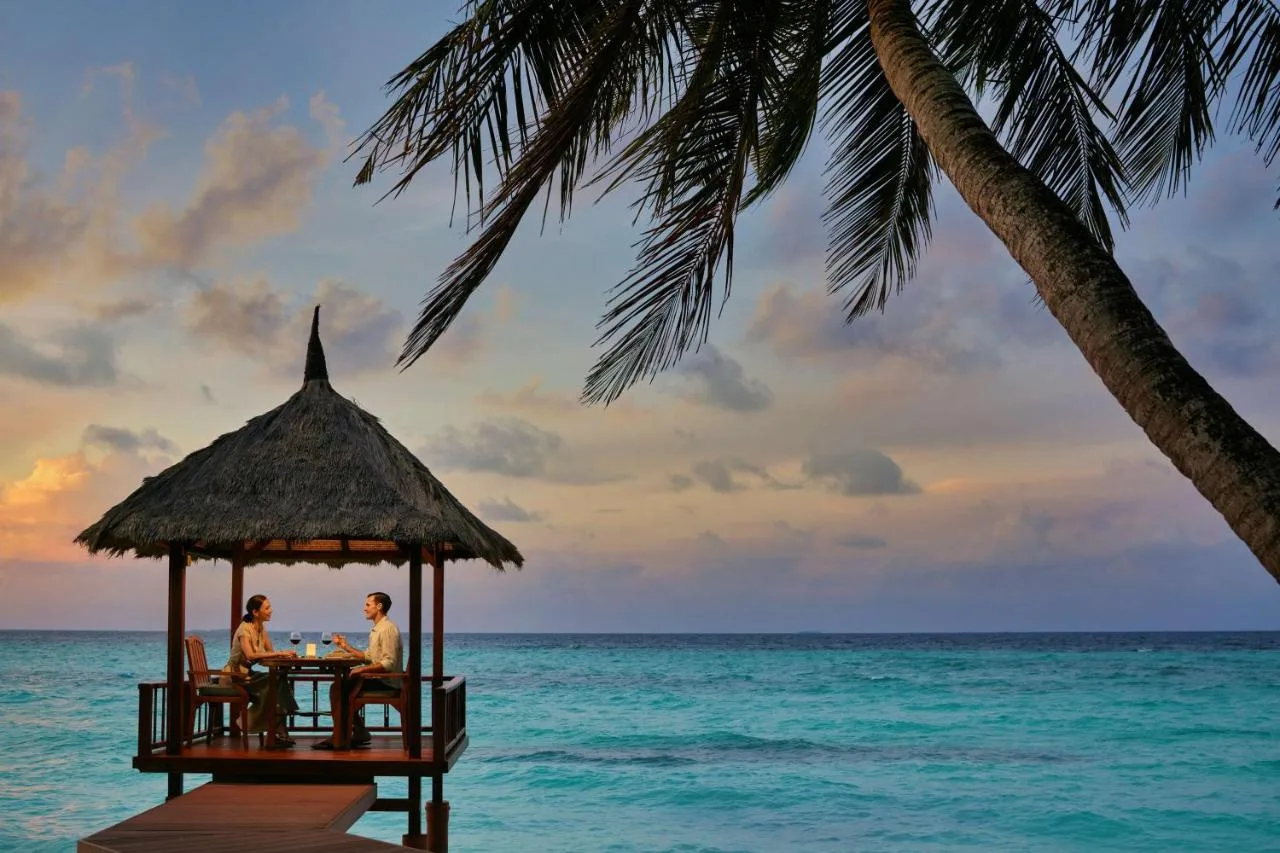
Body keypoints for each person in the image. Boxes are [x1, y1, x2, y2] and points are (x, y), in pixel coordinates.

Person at [313, 591, 403, 750]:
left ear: (379, 606)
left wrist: (362, 670)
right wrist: (345, 647)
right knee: (340, 687)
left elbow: (388, 663)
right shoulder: (377, 629)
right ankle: (357, 732)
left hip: (386, 683)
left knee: (338, 688)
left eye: (368, 604)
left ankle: (340, 736)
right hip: (377, 679)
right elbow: (369, 656)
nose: (364, 608)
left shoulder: (387, 629)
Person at [225, 594, 299, 746]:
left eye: (270, 607)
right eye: (267, 608)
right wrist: (280, 653)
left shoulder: (260, 628)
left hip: (248, 675)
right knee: (276, 682)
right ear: (255, 612)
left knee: (279, 679)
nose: (271, 610)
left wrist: (285, 655)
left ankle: (278, 732)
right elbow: (251, 655)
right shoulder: (244, 629)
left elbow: (269, 653)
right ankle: (277, 730)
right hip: (235, 676)